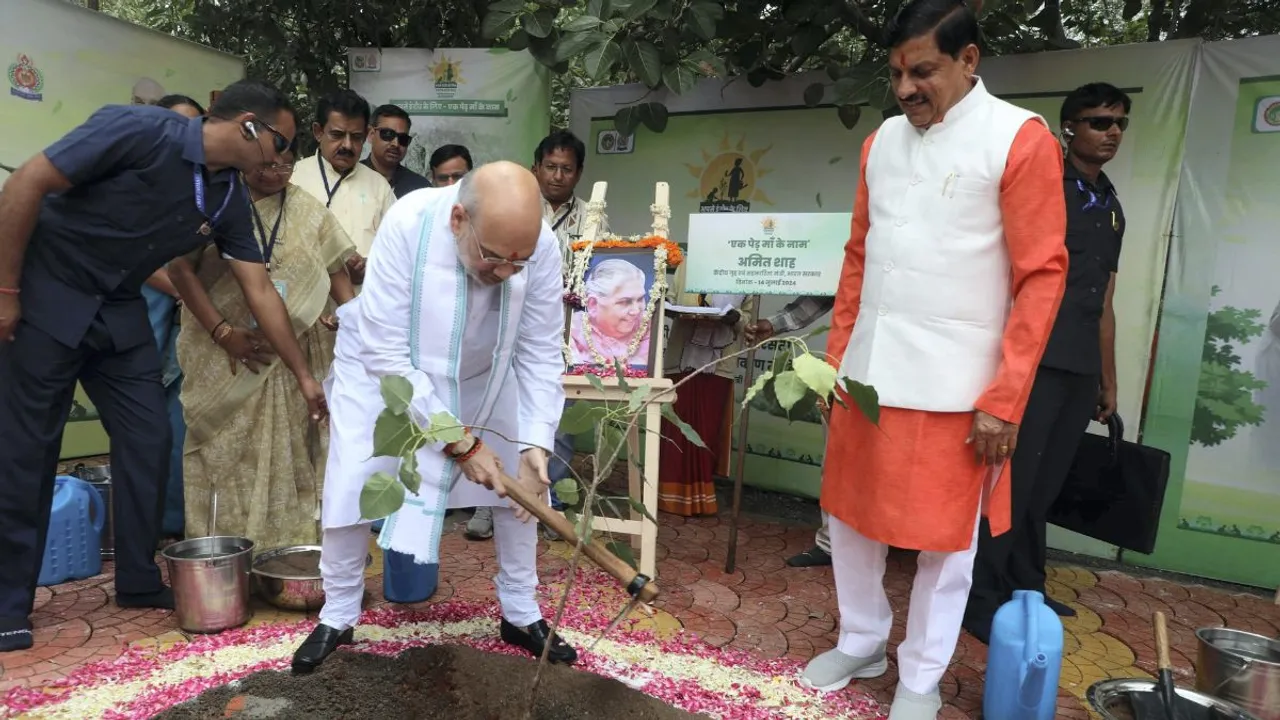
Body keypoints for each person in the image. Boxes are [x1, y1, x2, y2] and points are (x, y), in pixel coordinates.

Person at [796, 2, 1068, 717]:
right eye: (895, 75)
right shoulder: (880, 141)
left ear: (968, 60)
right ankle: (861, 639)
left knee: (947, 549)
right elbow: (859, 257)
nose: (907, 89)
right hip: (866, 373)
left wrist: (1003, 399)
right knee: (850, 522)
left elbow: (1042, 277)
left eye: (923, 71)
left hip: (958, 387)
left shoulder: (1019, 138)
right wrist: (833, 362)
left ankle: (920, 676)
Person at [0, 79, 327, 653]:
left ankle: (137, 578)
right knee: (29, 449)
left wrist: (303, 376)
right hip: (50, 292)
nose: (281, 158)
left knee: (150, 437)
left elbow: (261, 292)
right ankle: (7, 604)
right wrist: (5, 290)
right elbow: (28, 182)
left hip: (117, 308)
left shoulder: (226, 197)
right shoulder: (141, 130)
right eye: (281, 142)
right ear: (249, 125)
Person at [292, 162, 577, 673]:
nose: (507, 274)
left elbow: (538, 350)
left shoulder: (541, 248)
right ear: (458, 220)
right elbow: (387, 353)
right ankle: (337, 613)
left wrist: (536, 445)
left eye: (520, 263)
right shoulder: (408, 224)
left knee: (524, 483)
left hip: (485, 372)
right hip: (383, 371)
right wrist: (459, 443)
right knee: (354, 478)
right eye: (493, 259)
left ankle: (521, 611)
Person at [964, 82, 1130, 642]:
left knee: (1045, 488)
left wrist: (1108, 380)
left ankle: (1025, 586)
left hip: (1079, 369)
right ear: (1069, 128)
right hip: (1032, 362)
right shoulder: (1042, 187)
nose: (1111, 133)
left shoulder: (1110, 205)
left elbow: (1105, 301)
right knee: (1011, 484)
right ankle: (979, 597)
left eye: (1119, 123)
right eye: (1099, 122)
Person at [170, 151, 356, 550]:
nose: (276, 173)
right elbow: (179, 269)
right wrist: (222, 332)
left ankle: (286, 551)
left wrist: (352, 319)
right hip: (224, 352)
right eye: (266, 163)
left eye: (286, 163)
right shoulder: (214, 203)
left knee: (290, 452)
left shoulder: (307, 209)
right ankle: (223, 556)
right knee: (225, 452)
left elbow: (336, 269)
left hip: (293, 357)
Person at [468, 131, 593, 540]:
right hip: (501, 323)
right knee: (494, 410)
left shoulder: (593, 218)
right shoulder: (509, 206)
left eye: (567, 169)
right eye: (551, 167)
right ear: (535, 168)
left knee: (552, 409)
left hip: (561, 326)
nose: (557, 176)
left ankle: (547, 497)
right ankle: (486, 505)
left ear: (578, 174)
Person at [143, 94, 208, 542]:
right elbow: (142, 258)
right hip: (145, 320)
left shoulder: (203, 184)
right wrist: (191, 296)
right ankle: (154, 526)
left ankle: (173, 523)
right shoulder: (139, 177)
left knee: (177, 426)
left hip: (184, 328)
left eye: (193, 126)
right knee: (150, 432)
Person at [744, 295, 837, 567]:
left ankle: (901, 538)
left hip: (917, 367)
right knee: (838, 457)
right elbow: (827, 292)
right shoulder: (852, 255)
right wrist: (773, 324)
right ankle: (831, 544)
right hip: (849, 366)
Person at [660, 265, 752, 517]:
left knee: (705, 431)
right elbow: (670, 299)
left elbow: (749, 323)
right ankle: (666, 498)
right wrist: (668, 306)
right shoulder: (686, 264)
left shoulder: (746, 271)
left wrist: (736, 318)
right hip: (681, 357)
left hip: (718, 363)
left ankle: (701, 500)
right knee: (675, 428)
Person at [292, 89, 394, 286]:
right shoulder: (294, 178)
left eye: (356, 137)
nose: (347, 145)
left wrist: (369, 267)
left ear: (366, 136)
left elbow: (397, 247)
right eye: (337, 135)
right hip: (310, 306)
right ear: (318, 132)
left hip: (363, 301)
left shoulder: (379, 185)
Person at [568, 258, 651, 369]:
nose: (636, 311)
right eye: (625, 302)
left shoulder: (647, 326)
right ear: (593, 304)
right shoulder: (571, 330)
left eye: (640, 299)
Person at [361, 104, 430, 198]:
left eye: (403, 138)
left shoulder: (420, 188)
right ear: (371, 135)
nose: (396, 144)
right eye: (388, 134)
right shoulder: (348, 178)